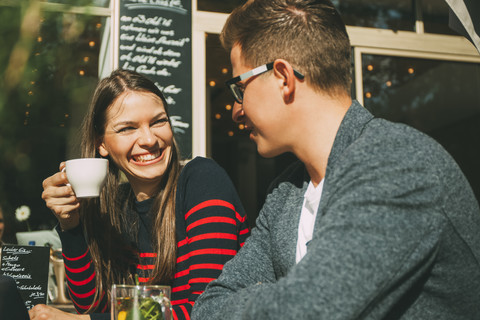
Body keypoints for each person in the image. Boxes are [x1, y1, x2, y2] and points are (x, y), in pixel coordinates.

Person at [191, 0, 480, 319]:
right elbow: (209, 305)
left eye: (238, 88)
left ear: (283, 78)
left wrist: (286, 295)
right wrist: (291, 294)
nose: (235, 110)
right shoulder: (287, 191)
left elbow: (309, 313)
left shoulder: (394, 164)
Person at [30, 69, 250, 320]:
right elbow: (91, 304)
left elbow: (210, 311)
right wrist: (70, 226)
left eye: (158, 121)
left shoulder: (203, 180)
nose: (148, 139)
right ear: (102, 144)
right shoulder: (118, 207)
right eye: (127, 128)